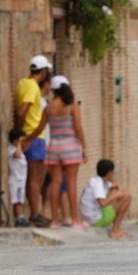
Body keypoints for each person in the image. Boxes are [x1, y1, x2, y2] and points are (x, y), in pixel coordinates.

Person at [44, 74, 87, 228]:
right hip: (71, 147)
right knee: (71, 182)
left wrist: (28, 138)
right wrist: (84, 147)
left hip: (54, 147)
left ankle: (55, 220)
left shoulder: (48, 108)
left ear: (54, 90)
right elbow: (78, 128)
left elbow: (40, 128)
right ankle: (75, 219)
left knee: (55, 183)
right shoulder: (72, 106)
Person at [15, 55, 52, 227]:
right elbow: (23, 112)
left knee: (31, 178)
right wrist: (24, 136)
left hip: (31, 136)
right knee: (35, 179)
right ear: (43, 72)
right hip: (34, 137)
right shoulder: (32, 87)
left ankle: (34, 212)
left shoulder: (22, 83)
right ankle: (35, 214)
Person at [78, 158, 133, 239]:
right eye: (112, 172)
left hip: (89, 217)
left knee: (119, 191)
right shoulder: (98, 184)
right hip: (96, 220)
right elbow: (103, 203)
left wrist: (116, 191)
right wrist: (116, 195)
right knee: (127, 197)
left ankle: (116, 228)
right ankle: (115, 230)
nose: (113, 174)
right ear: (109, 173)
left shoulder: (96, 180)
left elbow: (116, 187)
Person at [7, 128, 30, 227]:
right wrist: (19, 144)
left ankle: (21, 216)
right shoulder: (11, 149)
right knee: (16, 200)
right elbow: (16, 155)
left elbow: (23, 150)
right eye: (21, 140)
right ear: (15, 140)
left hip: (21, 180)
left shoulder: (21, 152)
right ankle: (18, 217)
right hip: (15, 179)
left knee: (20, 199)